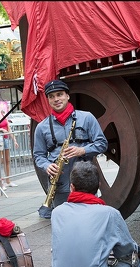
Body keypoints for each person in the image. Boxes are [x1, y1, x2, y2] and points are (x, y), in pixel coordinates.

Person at [48, 160, 140, 267]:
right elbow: (126, 251)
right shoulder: (109, 213)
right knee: (136, 263)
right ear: (98, 186)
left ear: (71, 187)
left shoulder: (57, 212)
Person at [33, 79, 108, 218]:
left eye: (60, 94)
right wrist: (47, 165)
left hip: (85, 180)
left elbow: (102, 143)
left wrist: (83, 150)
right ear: (48, 100)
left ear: (67, 96)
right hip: (59, 184)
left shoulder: (86, 118)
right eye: (51, 96)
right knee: (64, 221)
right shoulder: (41, 127)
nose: (56, 99)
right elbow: (38, 155)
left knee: (89, 219)